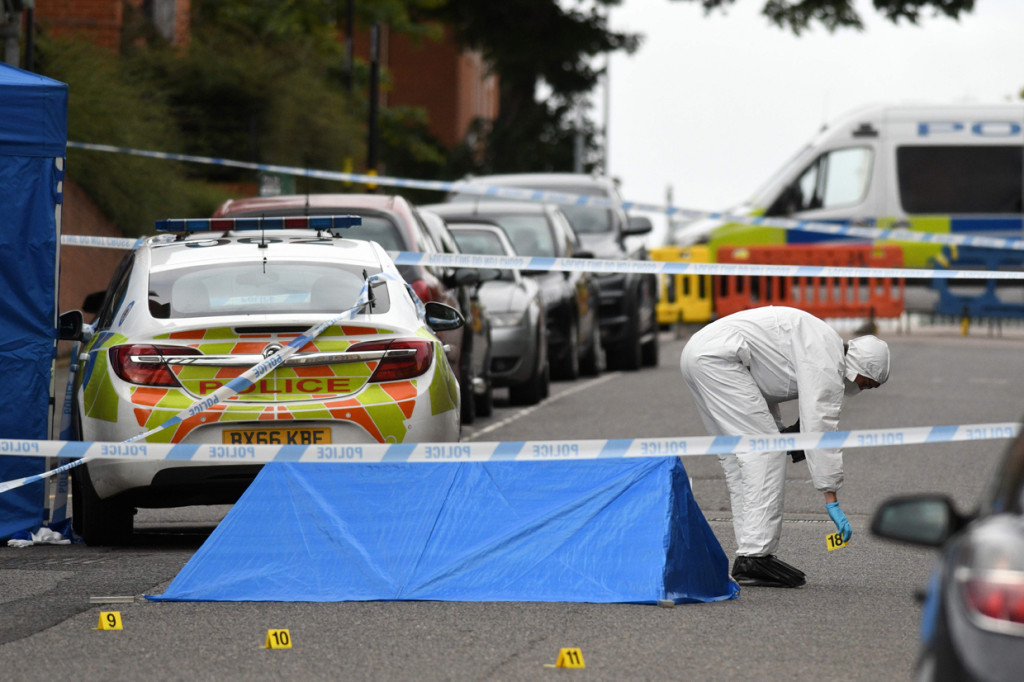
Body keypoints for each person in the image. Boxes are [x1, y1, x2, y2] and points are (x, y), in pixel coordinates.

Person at [680, 306, 890, 588]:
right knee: (765, 451)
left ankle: (749, 552)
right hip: (719, 359)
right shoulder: (827, 361)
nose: (869, 389)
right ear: (862, 369)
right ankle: (756, 557)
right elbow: (822, 430)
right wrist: (832, 499)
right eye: (870, 383)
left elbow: (761, 387)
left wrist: (782, 432)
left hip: (701, 354)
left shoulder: (821, 344)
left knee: (739, 457)